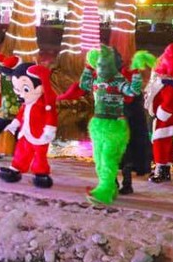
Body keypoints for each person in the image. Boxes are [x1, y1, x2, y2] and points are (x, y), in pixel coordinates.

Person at [57, 45, 134, 204]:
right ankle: (109, 188)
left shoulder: (118, 80)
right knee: (99, 159)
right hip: (98, 124)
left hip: (114, 125)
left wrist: (136, 76)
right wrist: (87, 67)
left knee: (107, 159)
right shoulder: (97, 80)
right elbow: (84, 84)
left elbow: (131, 93)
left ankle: (105, 191)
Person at [0, 63, 58, 188]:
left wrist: (50, 128)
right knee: (21, 151)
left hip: (40, 134)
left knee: (39, 155)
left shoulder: (43, 102)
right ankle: (15, 169)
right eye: (17, 90)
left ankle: (41, 174)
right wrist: (15, 123)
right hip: (25, 133)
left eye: (25, 89)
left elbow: (51, 113)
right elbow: (21, 114)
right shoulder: (27, 102)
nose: (20, 94)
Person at [119, 50, 156, 195]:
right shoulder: (130, 84)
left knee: (124, 154)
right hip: (129, 124)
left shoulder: (126, 85)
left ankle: (124, 184)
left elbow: (129, 96)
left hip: (126, 125)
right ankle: (123, 183)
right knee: (125, 155)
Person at [147, 42, 173, 183]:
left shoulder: (168, 86)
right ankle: (165, 170)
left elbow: (169, 102)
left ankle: (161, 171)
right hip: (167, 119)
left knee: (160, 144)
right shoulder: (168, 84)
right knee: (166, 144)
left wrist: (161, 113)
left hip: (165, 120)